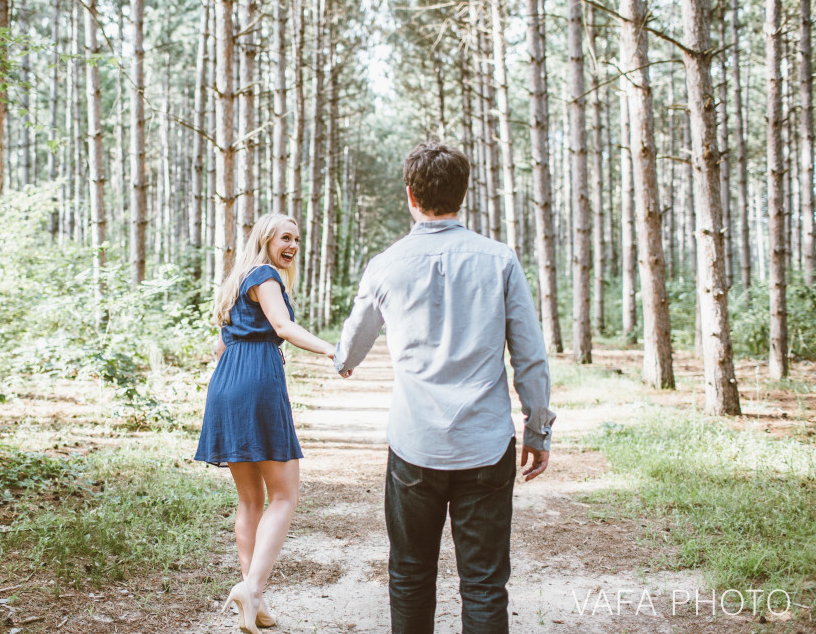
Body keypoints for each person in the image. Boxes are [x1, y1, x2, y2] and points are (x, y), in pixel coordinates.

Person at [333, 142, 555, 633]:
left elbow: (352, 344)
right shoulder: (499, 259)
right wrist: (538, 430)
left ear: (410, 194)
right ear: (463, 194)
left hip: (415, 446)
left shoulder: (386, 264)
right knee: (484, 583)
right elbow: (530, 354)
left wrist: (341, 362)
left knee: (410, 576)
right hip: (486, 445)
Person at [195, 213, 335, 634]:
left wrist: (254, 356)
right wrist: (333, 350)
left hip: (227, 385)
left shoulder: (239, 280)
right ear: (266, 239)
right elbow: (282, 325)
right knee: (285, 495)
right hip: (256, 384)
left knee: (251, 501)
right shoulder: (266, 275)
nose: (293, 245)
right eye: (285, 237)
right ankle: (251, 589)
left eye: (297, 237)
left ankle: (253, 602)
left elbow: (220, 344)